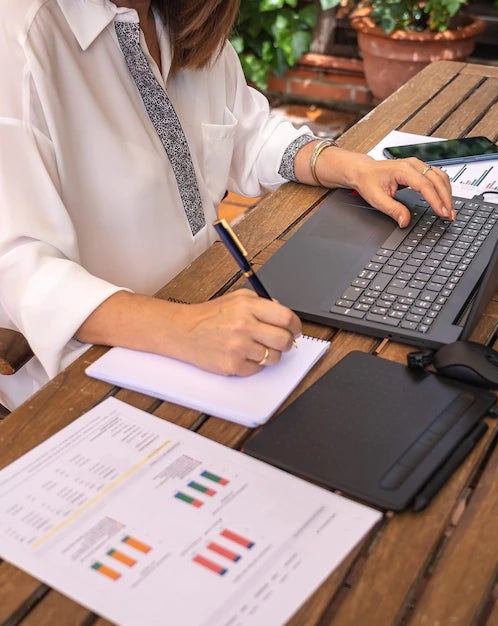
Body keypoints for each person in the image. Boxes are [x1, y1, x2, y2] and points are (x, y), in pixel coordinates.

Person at [0, 0, 454, 411]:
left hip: (212, 316)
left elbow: (244, 131)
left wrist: (352, 167)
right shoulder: (19, 34)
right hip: (85, 378)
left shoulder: (176, 15)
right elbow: (18, 265)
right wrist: (184, 328)